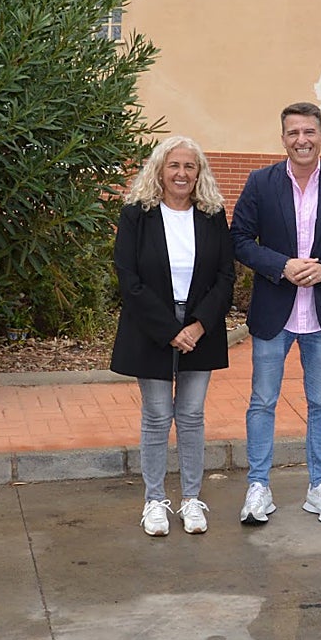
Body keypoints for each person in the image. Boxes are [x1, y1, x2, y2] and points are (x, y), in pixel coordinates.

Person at [231, 101, 321, 526]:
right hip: (274, 313)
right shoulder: (261, 182)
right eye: (293, 133)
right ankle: (258, 486)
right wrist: (281, 265)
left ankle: (319, 487)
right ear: (283, 138)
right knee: (262, 401)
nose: (301, 140)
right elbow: (239, 238)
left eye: (309, 132)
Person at [109, 135, 234, 537]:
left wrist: (197, 325)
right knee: (158, 415)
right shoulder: (137, 215)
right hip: (151, 325)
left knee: (192, 415)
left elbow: (225, 277)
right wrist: (170, 330)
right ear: (160, 170)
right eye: (174, 165)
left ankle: (192, 499)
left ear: (199, 173)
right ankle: (154, 501)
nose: (181, 173)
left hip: (201, 327)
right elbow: (128, 278)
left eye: (189, 166)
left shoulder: (212, 215)